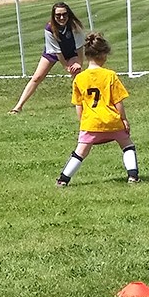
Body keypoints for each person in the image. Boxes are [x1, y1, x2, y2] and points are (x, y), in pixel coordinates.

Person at [55, 32, 139, 187]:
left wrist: (83, 122)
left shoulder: (79, 78)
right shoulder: (110, 75)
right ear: (102, 54)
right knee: (127, 145)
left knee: (80, 152)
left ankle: (63, 179)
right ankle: (133, 176)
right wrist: (124, 119)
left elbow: (78, 105)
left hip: (91, 122)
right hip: (111, 120)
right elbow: (118, 101)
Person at [9, 2, 85, 114]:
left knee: (77, 75)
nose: (62, 17)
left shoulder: (75, 26)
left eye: (64, 14)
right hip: (53, 52)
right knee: (37, 77)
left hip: (71, 52)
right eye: (58, 15)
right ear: (53, 16)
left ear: (68, 15)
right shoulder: (50, 28)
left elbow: (79, 48)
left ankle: (80, 104)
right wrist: (65, 66)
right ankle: (18, 107)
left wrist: (78, 64)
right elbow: (57, 51)